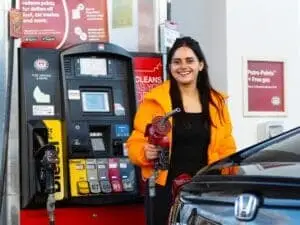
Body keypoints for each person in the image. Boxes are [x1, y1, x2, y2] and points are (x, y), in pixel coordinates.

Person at [126, 36, 236, 225]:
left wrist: (233, 178)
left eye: (189, 60)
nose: (183, 66)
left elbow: (226, 145)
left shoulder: (216, 103)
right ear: (170, 67)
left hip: (207, 190)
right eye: (177, 62)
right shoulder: (156, 101)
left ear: (201, 65)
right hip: (164, 190)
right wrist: (144, 151)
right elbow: (135, 143)